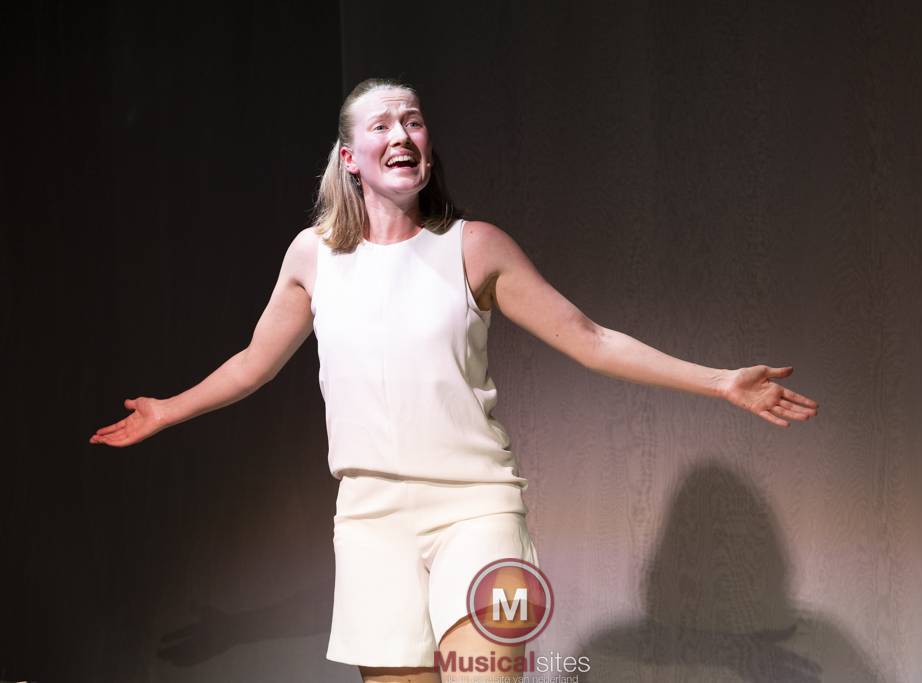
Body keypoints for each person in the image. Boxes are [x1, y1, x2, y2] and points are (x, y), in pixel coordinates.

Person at [90, 77, 819, 683]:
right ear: (350, 157)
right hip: (369, 519)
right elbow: (255, 361)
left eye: (413, 121)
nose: (401, 134)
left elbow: (590, 339)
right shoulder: (312, 257)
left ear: (428, 146)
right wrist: (167, 409)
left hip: (477, 510)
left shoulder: (475, 247)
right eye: (382, 125)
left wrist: (722, 381)